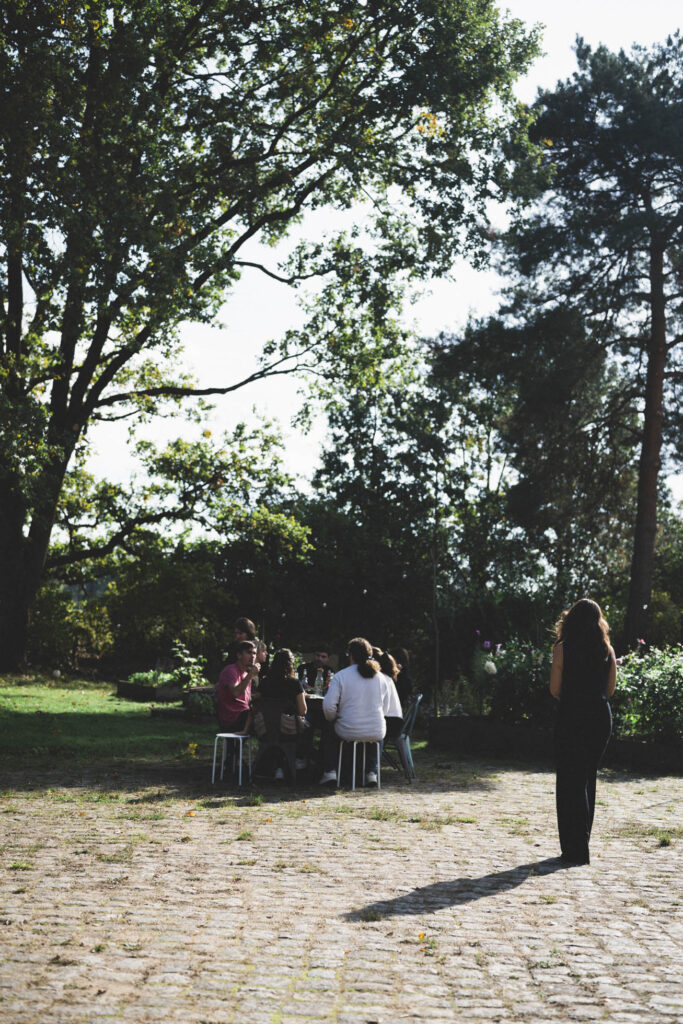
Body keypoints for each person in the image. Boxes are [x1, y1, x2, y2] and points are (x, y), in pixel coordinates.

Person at [549, 598, 617, 865]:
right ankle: (581, 845)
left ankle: (574, 850)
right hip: (599, 718)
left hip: (572, 715)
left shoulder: (562, 649)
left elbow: (555, 689)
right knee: (587, 779)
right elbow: (609, 691)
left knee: (569, 781)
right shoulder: (606, 650)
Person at [320, 637, 394, 786]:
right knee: (375, 734)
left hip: (348, 729)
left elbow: (328, 707)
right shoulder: (381, 678)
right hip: (376, 730)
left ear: (350, 655)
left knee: (328, 728)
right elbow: (385, 708)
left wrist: (333, 718)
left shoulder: (341, 676)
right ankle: (371, 773)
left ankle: (330, 772)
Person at [253, 648, 307, 779]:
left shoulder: (265, 682)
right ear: (290, 664)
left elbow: (256, 705)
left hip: (265, 729)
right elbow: (302, 711)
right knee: (307, 726)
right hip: (287, 730)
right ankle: (300, 760)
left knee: (276, 727)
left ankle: (277, 766)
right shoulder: (294, 684)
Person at [216, 640, 258, 734]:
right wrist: (251, 675)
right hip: (232, 719)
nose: (253, 656)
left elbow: (247, 700)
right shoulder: (230, 671)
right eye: (249, 652)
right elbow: (235, 693)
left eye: (254, 653)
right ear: (239, 655)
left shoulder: (246, 674)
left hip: (244, 716)